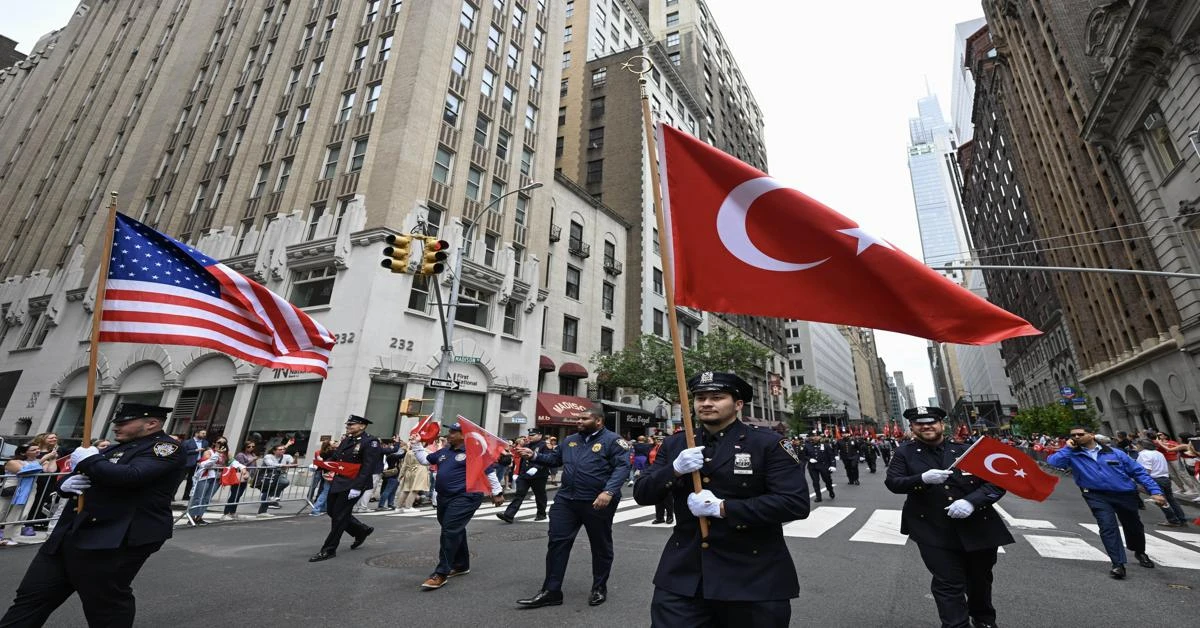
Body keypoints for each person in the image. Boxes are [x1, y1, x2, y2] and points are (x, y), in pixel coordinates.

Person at [633, 371, 810, 627]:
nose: (706, 403)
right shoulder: (676, 444)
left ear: (738, 404)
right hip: (685, 575)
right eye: (700, 397)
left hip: (752, 575)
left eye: (717, 397)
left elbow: (794, 503)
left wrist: (723, 508)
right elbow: (643, 493)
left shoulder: (768, 444)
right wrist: (674, 470)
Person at [0, 403, 184, 627]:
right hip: (69, 535)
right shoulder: (112, 449)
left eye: (123, 422)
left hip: (114, 539)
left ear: (152, 423)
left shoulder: (165, 448)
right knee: (30, 599)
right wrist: (66, 486)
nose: (115, 427)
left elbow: (131, 476)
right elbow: (80, 476)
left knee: (105, 607)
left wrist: (90, 460)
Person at [885, 406, 1013, 628]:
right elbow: (893, 483)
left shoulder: (967, 450)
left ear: (941, 425)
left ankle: (984, 620)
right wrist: (921, 479)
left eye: (931, 422)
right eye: (919, 423)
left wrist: (971, 502)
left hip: (976, 526)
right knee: (948, 583)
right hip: (932, 529)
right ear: (912, 427)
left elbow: (998, 483)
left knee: (979, 580)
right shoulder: (904, 452)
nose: (926, 426)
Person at [515, 402, 631, 609]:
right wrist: (534, 456)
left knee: (600, 545)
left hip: (597, 501)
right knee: (557, 542)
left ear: (598, 421)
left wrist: (609, 491)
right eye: (577, 419)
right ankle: (551, 591)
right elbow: (554, 460)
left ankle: (599, 587)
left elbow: (622, 468)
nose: (579, 422)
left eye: (584, 419)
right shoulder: (570, 440)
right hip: (566, 500)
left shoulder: (613, 441)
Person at [1046, 424, 1166, 579]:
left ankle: (1139, 552)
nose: (1076, 437)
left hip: (1124, 494)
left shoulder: (1116, 453)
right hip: (1095, 495)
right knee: (1107, 527)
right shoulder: (1072, 455)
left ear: (1091, 434)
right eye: (1073, 435)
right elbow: (1053, 462)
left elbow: (1138, 472)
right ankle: (1118, 563)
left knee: (1133, 526)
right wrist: (1067, 448)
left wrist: (1155, 491)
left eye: (1080, 434)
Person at [410, 422, 504, 590]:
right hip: (445, 498)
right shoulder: (445, 451)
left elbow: (489, 471)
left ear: (464, 435)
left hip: (466, 497)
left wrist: (497, 492)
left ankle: (441, 573)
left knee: (449, 530)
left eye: (454, 432)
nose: (449, 434)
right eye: (449, 431)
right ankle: (461, 565)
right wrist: (417, 444)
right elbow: (425, 460)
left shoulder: (475, 451)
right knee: (453, 529)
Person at [308, 416, 382, 562]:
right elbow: (336, 457)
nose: (348, 426)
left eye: (351, 424)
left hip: (354, 483)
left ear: (362, 426)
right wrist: (324, 465)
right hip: (340, 480)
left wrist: (357, 487)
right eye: (348, 424)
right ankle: (361, 530)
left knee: (340, 516)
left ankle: (329, 549)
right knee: (331, 511)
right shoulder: (347, 440)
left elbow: (368, 466)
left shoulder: (370, 442)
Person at [497, 429, 549, 523]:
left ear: (540, 435)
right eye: (530, 435)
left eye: (533, 435)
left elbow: (547, 459)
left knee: (540, 495)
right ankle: (509, 515)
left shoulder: (544, 446)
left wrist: (537, 467)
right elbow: (522, 460)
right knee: (519, 494)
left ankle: (541, 514)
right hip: (525, 475)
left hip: (539, 475)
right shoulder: (527, 445)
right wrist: (517, 472)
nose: (530, 436)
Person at [1133, 439, 1188, 527]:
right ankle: (1181, 518)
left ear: (1141, 446)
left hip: (1155, 479)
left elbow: (1146, 470)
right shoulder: (1158, 453)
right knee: (1171, 500)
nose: (1136, 447)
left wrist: (1142, 482)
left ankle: (1173, 520)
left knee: (1161, 501)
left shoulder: (1143, 455)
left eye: (1137, 445)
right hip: (1165, 478)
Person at [186, 438, 228, 525]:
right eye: (219, 442)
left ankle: (199, 517)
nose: (221, 444)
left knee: (207, 499)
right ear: (215, 443)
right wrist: (217, 454)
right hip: (206, 477)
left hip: (217, 478)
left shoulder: (225, 454)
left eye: (224, 443)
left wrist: (242, 468)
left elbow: (232, 462)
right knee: (198, 497)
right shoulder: (209, 452)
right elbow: (205, 464)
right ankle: (191, 517)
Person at [222, 441, 258, 520]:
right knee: (234, 494)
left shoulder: (252, 455)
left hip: (247, 476)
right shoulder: (240, 455)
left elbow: (254, 466)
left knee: (239, 495)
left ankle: (232, 512)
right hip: (239, 476)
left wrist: (253, 475)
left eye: (253, 446)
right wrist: (252, 460)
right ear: (245, 446)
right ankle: (226, 513)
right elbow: (241, 465)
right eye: (249, 446)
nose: (251, 448)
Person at [802, 430, 837, 502]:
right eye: (813, 436)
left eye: (817, 436)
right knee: (815, 481)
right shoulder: (807, 445)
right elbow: (803, 455)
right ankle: (818, 496)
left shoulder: (825, 445)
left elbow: (831, 456)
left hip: (824, 466)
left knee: (827, 480)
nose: (815, 437)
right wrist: (809, 459)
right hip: (813, 467)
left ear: (820, 437)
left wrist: (833, 465)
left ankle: (830, 490)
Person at [649, 435, 674, 524]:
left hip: (665, 473)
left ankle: (670, 516)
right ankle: (659, 517)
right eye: (657, 439)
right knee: (657, 496)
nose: (659, 441)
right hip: (655, 473)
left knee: (667, 497)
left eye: (661, 439)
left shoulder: (669, 448)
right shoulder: (653, 448)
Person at [179, 429, 208, 501]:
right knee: (179, 480)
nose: (204, 435)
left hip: (197, 464)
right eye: (202, 433)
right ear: (196, 434)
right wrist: (195, 450)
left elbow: (205, 453)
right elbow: (183, 452)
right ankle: (171, 496)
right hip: (187, 463)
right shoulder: (187, 442)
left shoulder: (205, 443)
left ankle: (186, 496)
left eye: (205, 434)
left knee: (191, 481)